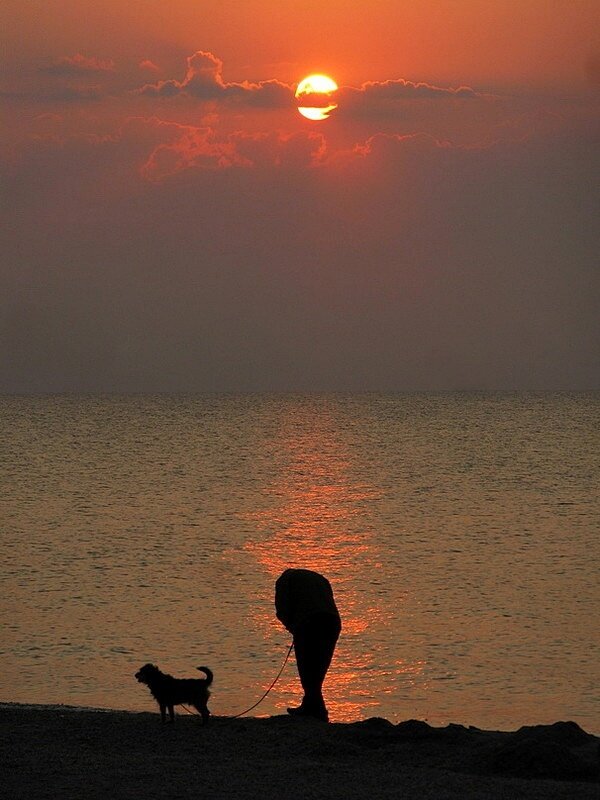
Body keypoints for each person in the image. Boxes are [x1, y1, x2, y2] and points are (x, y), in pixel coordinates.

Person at [275, 568, 341, 722]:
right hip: (332, 622)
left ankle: (318, 711)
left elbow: (281, 609)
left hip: (309, 622)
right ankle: (311, 706)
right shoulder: (320, 578)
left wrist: (292, 626)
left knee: (307, 668)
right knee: (318, 669)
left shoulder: (283, 582)